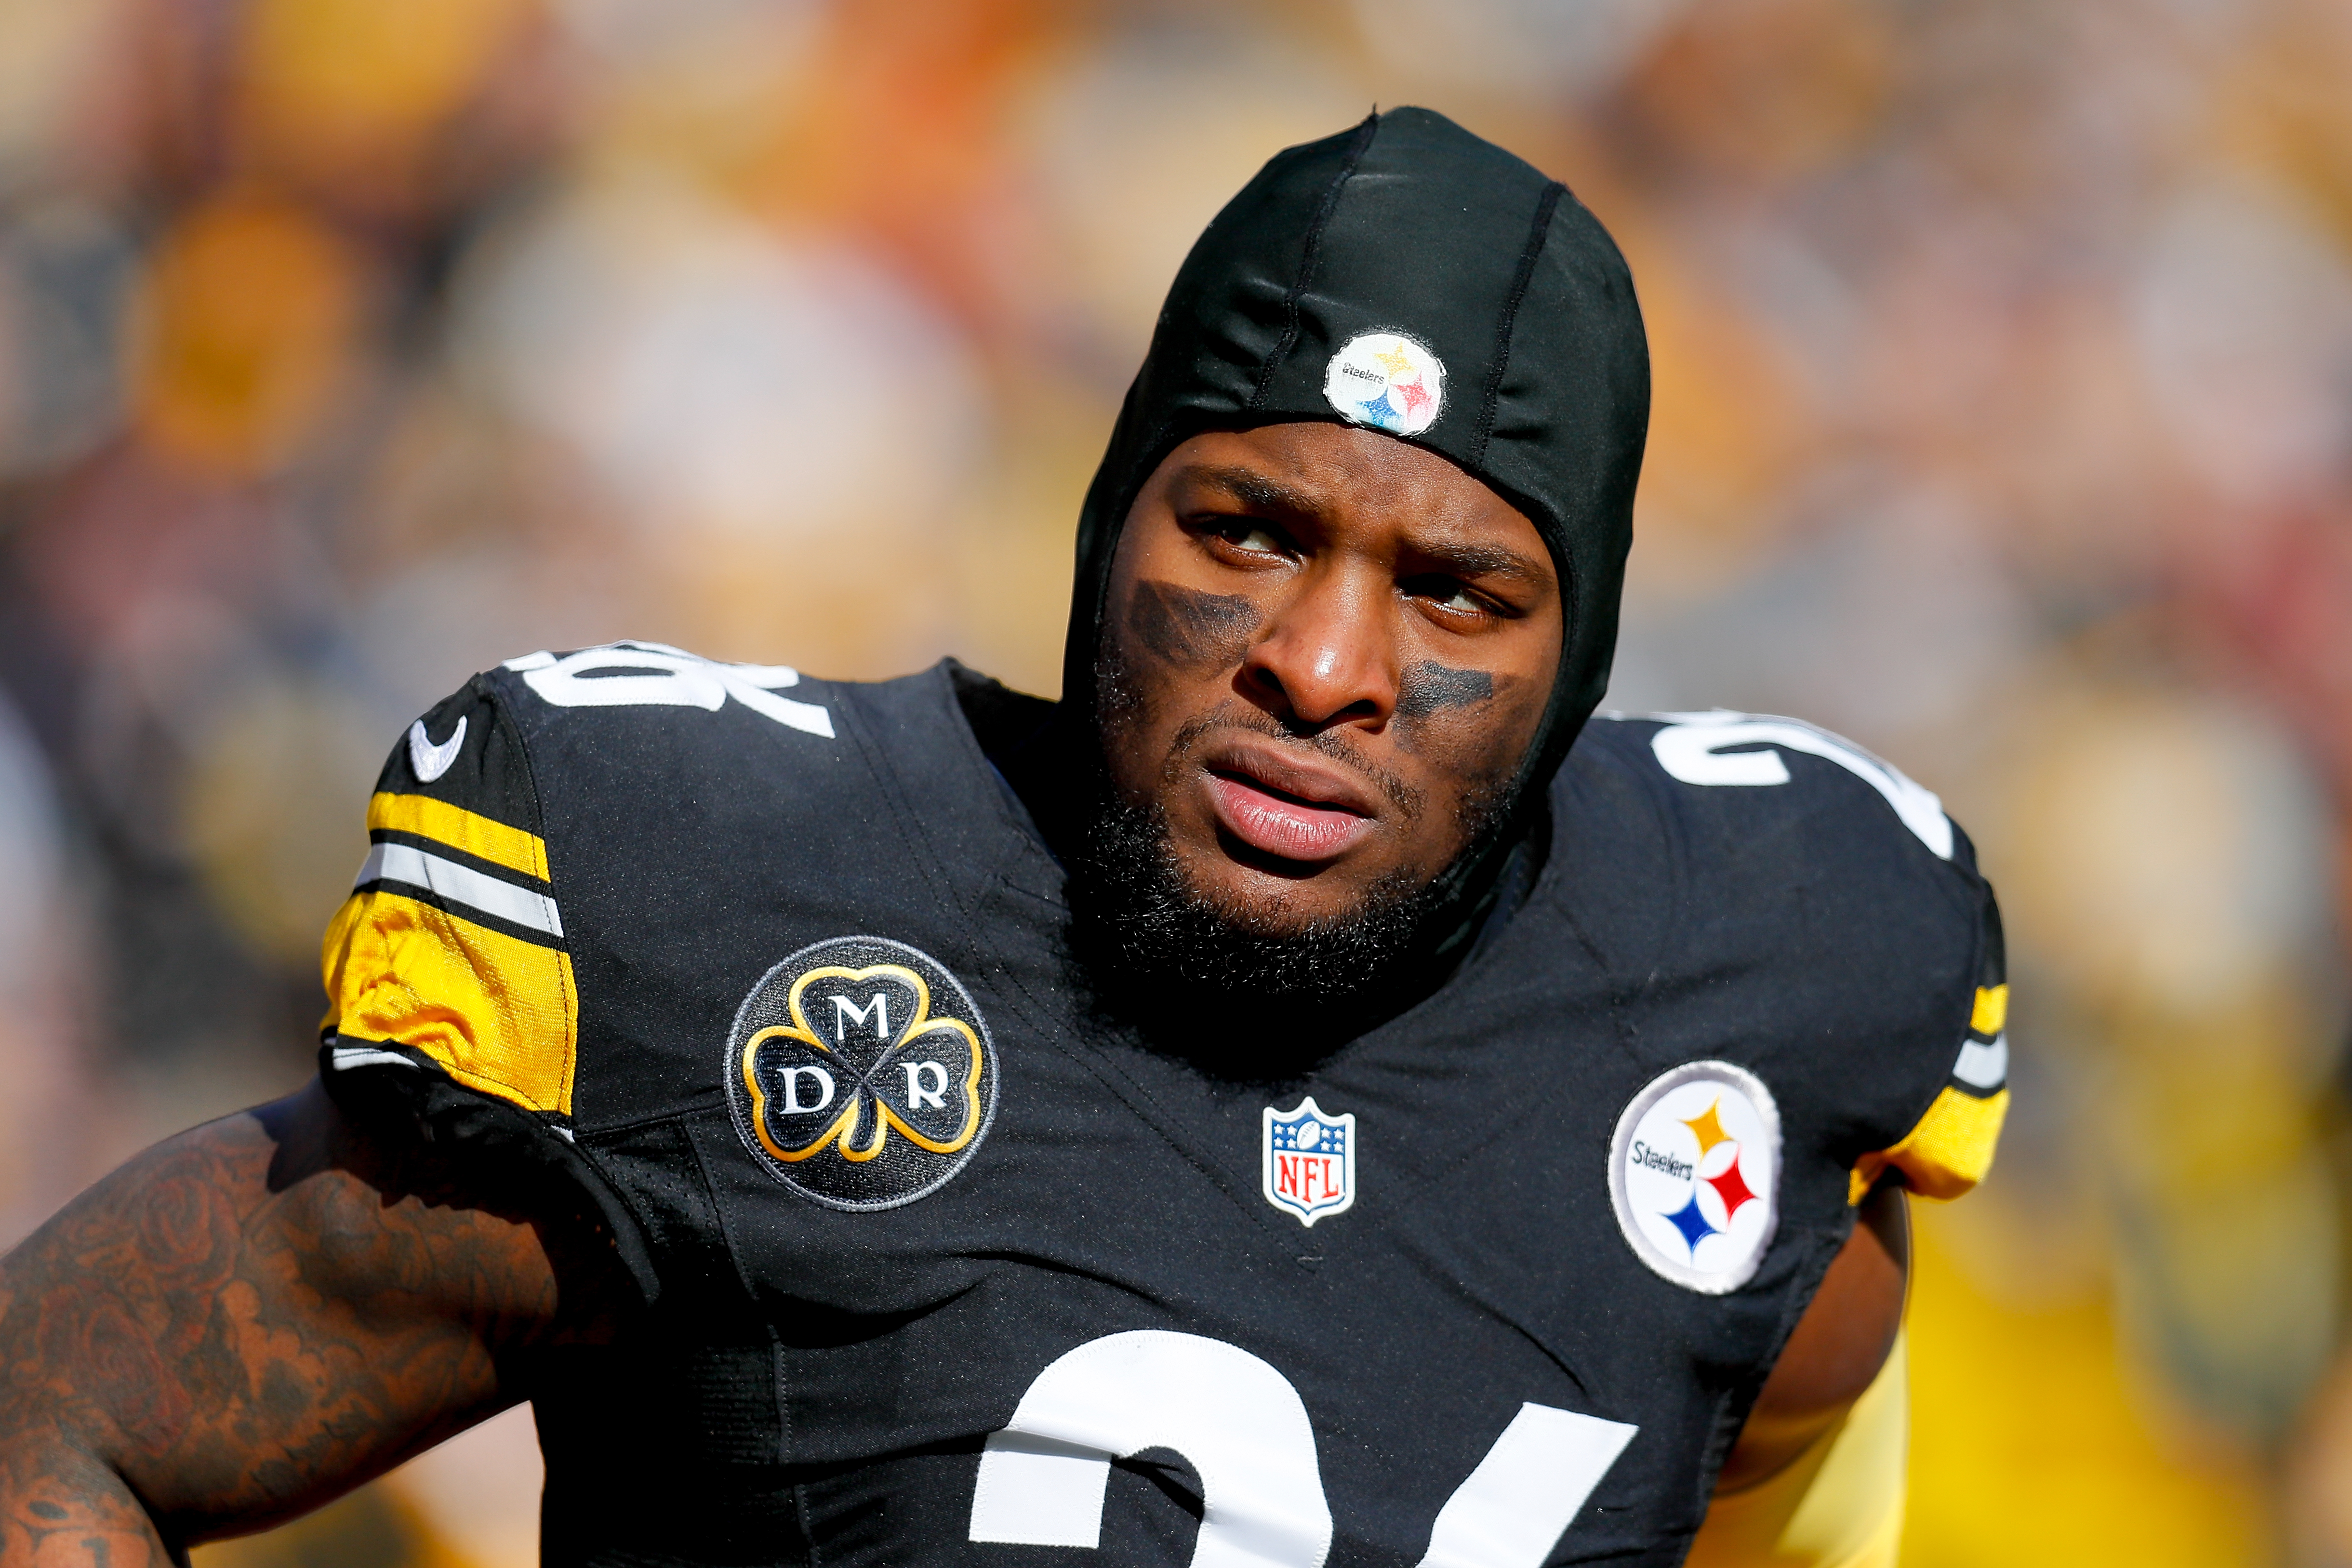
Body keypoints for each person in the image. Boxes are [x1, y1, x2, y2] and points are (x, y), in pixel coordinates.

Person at [0, 109, 2007, 1568]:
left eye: (1459, 594)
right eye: (1245, 530)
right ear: (1108, 518)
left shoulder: (1747, 1002)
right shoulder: (749, 922)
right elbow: (58, 1405)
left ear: (1582, 667)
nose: (1320, 661)